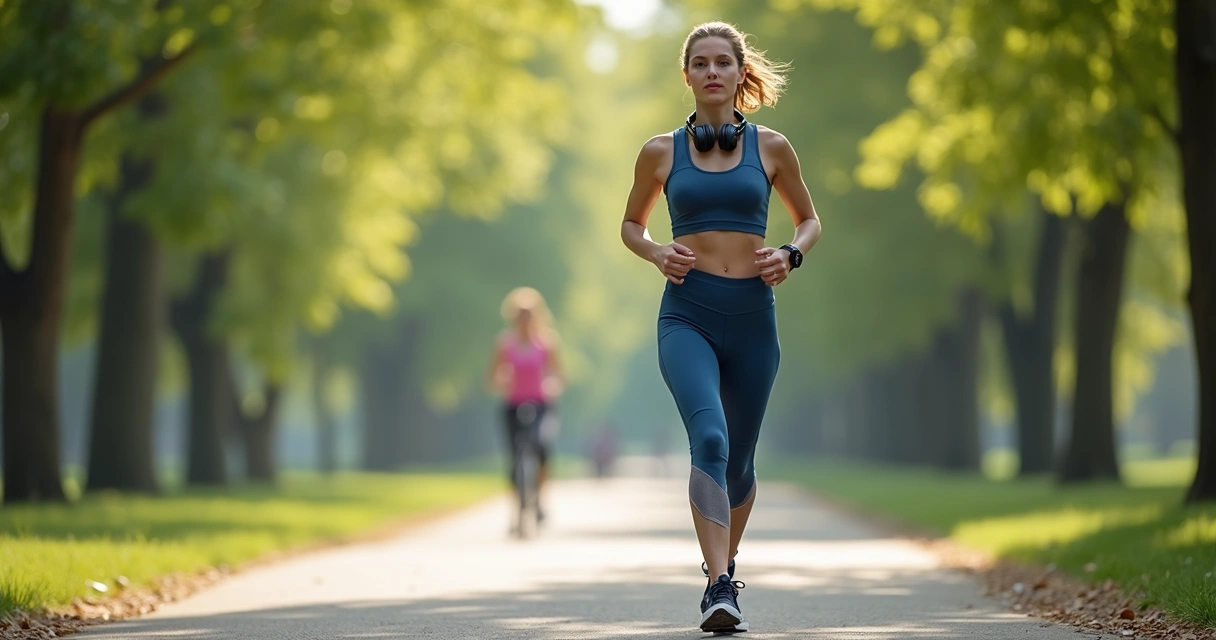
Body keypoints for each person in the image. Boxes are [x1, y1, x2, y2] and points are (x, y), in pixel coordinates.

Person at [619, 21, 821, 633]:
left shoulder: (773, 148)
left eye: (723, 62)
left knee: (740, 462)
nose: (712, 71)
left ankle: (724, 567)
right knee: (710, 440)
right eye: (700, 63)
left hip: (754, 317)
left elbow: (809, 220)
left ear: (739, 73)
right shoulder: (660, 152)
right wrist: (656, 251)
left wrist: (790, 254)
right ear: (687, 76)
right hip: (688, 314)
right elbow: (631, 225)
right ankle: (718, 585)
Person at [486, 287, 564, 526]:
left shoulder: (547, 343)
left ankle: (539, 500)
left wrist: (551, 385)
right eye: (520, 315)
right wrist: (501, 380)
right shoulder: (505, 344)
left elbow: (558, 375)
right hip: (513, 405)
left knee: (541, 449)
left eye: (529, 315)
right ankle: (516, 511)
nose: (525, 320)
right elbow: (492, 376)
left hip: (540, 405)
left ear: (537, 315)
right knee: (514, 457)